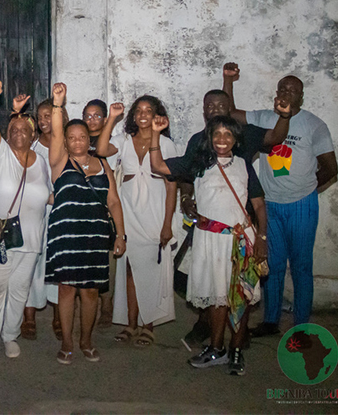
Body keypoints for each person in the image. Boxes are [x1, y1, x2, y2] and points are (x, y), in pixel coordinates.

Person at [167, 84, 290, 345]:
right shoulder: (198, 141)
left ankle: (237, 337)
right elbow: (188, 174)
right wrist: (186, 197)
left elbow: (275, 138)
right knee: (196, 275)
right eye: (209, 106)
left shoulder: (244, 136)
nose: (214, 110)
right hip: (209, 219)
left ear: (230, 110)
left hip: (239, 221)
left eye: (220, 106)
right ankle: (207, 325)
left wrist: (284, 116)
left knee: (238, 283)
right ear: (203, 111)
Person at [223, 64, 337, 335]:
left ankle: (302, 325)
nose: (287, 93)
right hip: (270, 204)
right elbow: (229, 114)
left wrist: (306, 190)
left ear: (301, 97)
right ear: (276, 94)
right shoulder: (264, 117)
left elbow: (331, 169)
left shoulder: (314, 125)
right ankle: (271, 321)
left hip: (302, 205)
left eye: (293, 91)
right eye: (282, 89)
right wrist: (228, 80)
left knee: (301, 265)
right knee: (271, 265)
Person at [150, 115, 269, 376]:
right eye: (217, 134)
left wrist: (261, 238)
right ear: (209, 138)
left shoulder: (243, 166)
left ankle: (236, 351)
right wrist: (156, 134)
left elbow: (259, 204)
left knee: (241, 296)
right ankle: (216, 348)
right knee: (217, 296)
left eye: (228, 134)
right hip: (210, 240)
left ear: (236, 139)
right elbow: (158, 165)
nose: (222, 140)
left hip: (240, 241)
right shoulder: (199, 164)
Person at [48, 84, 126, 364]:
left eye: (82, 136)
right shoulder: (59, 162)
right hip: (66, 235)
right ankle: (68, 343)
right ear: (66, 141)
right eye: (72, 137)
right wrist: (58, 103)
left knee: (91, 290)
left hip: (95, 234)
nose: (78, 141)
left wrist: (120, 235)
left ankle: (86, 340)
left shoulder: (103, 163)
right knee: (67, 289)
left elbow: (114, 202)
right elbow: (56, 131)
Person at [0, 82, 52, 364]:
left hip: (31, 237)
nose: (19, 133)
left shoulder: (41, 162)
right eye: (14, 130)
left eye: (25, 130)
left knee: (20, 290)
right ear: (7, 135)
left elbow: (46, 194)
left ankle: (10, 335)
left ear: (33, 135)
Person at [96, 96, 177, 347]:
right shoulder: (123, 142)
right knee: (130, 269)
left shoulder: (166, 143)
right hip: (129, 212)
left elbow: (172, 187)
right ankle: (131, 324)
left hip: (155, 212)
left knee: (151, 269)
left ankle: (148, 325)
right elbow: (100, 150)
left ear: (157, 115)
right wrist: (111, 118)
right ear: (132, 115)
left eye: (149, 110)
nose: (143, 114)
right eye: (139, 110)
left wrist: (167, 223)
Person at [21, 99, 65, 341]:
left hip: (60, 212)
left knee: (57, 262)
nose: (44, 120)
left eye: (49, 115)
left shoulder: (68, 144)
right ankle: (29, 316)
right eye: (40, 116)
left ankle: (59, 316)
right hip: (35, 211)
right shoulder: (32, 147)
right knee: (33, 261)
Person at [82, 99, 117, 328]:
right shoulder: (78, 141)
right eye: (88, 115)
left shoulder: (113, 142)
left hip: (104, 206)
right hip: (83, 206)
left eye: (96, 115)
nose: (92, 119)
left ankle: (107, 304)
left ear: (105, 119)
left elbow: (106, 153)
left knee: (106, 258)